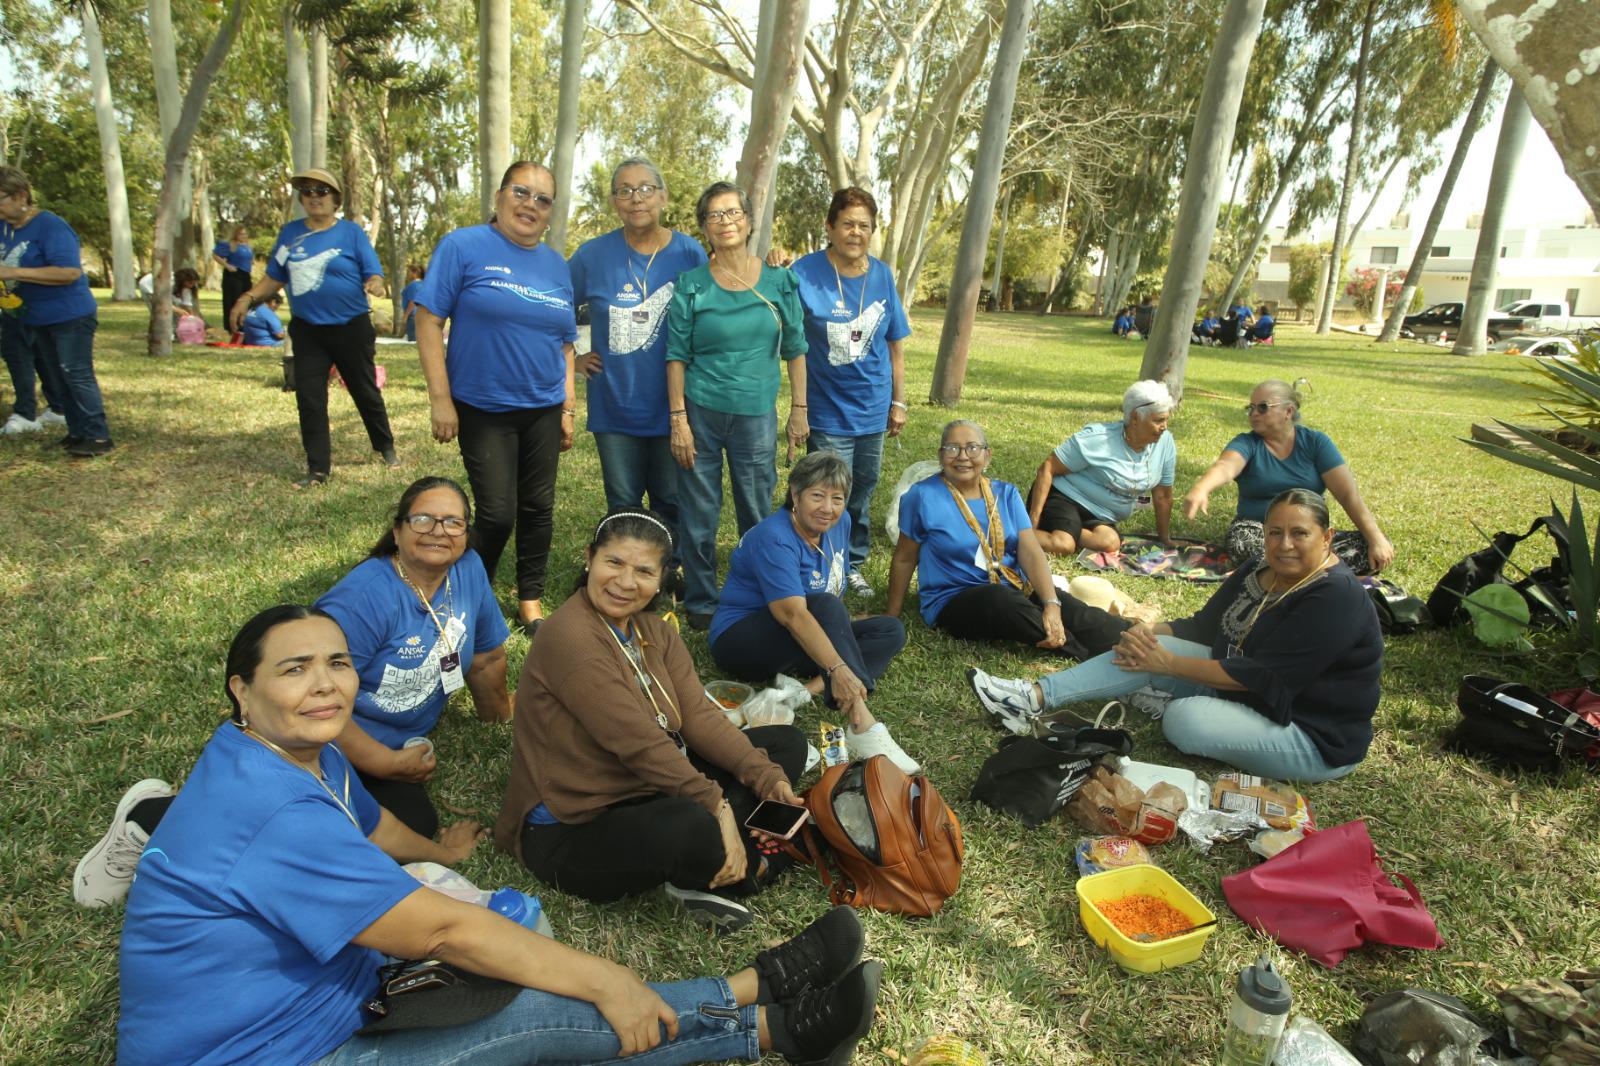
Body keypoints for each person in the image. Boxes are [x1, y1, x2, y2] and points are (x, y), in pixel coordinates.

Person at [113, 604, 881, 1066]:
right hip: (272, 1054)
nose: (326, 683)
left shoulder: (283, 752)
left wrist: (438, 850)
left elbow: (371, 824)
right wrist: (606, 978)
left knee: (527, 1001)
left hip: (329, 1002)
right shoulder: (267, 808)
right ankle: (764, 1016)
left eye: (339, 663)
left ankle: (766, 1010)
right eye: (295, 669)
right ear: (241, 689)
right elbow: (444, 929)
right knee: (530, 1020)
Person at [497, 509, 813, 933]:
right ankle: (746, 860)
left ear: (663, 577)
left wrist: (765, 777)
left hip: (647, 789)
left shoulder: (655, 632)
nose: (626, 582)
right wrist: (716, 804)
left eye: (644, 570)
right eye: (614, 563)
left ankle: (731, 839)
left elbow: (698, 717)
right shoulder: (568, 636)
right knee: (691, 825)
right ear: (589, 558)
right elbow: (639, 743)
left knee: (784, 746)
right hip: (575, 826)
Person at [969, 488, 1383, 782]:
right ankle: (1030, 698)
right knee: (1150, 645)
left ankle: (1165, 693)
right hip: (1246, 696)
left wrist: (1165, 665)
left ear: (1327, 538)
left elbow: (1261, 675)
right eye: (1274, 532)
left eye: (1300, 534)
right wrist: (1146, 633)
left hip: (1310, 736)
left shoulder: (1337, 598)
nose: (1284, 544)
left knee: (1183, 720)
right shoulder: (1261, 568)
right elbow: (1204, 626)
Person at [416, 161, 577, 636]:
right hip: (482, 406)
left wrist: (568, 406)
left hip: (544, 406)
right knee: (496, 512)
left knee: (538, 508)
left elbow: (565, 343)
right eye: (521, 192)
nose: (530, 205)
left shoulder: (556, 265)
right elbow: (428, 321)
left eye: (542, 199)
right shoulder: (463, 246)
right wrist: (440, 399)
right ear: (499, 196)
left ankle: (530, 599)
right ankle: (470, 594)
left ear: (550, 213)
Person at [313, 476, 512, 838]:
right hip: (326, 738)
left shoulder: (468, 569)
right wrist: (385, 763)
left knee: (412, 822)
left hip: (399, 743)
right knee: (343, 826)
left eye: (453, 522)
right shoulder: (363, 599)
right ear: (397, 530)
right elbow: (314, 697)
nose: (439, 531)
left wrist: (498, 720)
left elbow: (485, 657)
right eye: (422, 520)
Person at [709, 451, 918, 773]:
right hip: (742, 641)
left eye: (837, 498)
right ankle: (862, 722)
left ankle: (805, 691)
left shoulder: (840, 522)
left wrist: (840, 635)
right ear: (795, 494)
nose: (828, 508)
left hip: (796, 636)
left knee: (890, 630)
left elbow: (828, 588)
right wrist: (838, 667)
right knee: (824, 607)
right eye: (817, 496)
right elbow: (793, 614)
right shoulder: (774, 538)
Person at [667, 181, 808, 631]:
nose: (724, 222)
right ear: (703, 227)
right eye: (714, 215)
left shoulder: (780, 282)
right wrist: (678, 420)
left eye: (732, 213)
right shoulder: (691, 285)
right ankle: (704, 601)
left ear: (748, 222)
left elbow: (796, 349)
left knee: (757, 508)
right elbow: (676, 356)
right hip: (700, 411)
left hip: (756, 415)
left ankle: (758, 593)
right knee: (699, 511)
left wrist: (799, 409)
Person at [886, 420, 1132, 660]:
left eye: (973, 448)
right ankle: (1086, 654)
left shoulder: (1006, 494)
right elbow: (905, 558)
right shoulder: (922, 496)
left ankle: (1138, 640)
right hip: (955, 598)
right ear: (941, 456)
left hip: (1015, 586)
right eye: (952, 448)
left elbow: (1030, 551)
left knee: (1076, 612)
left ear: (987, 456)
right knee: (1001, 601)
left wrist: (1051, 603)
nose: (963, 456)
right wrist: (892, 615)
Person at [568, 157, 707, 565]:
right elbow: (558, 305)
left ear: (663, 196)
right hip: (615, 406)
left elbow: (710, 314)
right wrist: (575, 356)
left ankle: (668, 574)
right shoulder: (592, 255)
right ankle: (622, 573)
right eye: (625, 191)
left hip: (672, 405)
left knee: (670, 498)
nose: (636, 199)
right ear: (614, 201)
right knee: (623, 502)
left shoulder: (689, 252)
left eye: (646, 189)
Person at [229, 167, 396, 488]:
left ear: (335, 199)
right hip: (308, 330)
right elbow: (274, 278)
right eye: (307, 191)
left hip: (351, 327)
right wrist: (247, 298)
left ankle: (385, 446)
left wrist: (375, 284)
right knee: (310, 397)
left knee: (364, 390)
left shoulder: (351, 233)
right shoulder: (290, 234)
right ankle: (317, 469)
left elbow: (373, 273)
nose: (314, 197)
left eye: (322, 191)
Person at [790, 187, 911, 595]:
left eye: (864, 225)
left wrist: (898, 401)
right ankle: (820, 561)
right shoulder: (803, 272)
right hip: (826, 407)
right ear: (830, 227)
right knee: (826, 492)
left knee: (861, 489)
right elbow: (786, 336)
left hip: (873, 406)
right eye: (847, 224)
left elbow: (895, 343)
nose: (855, 232)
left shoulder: (881, 275)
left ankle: (852, 562)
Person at [1183, 378, 1393, 573]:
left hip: (1307, 535)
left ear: (1288, 411)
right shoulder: (1246, 443)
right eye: (1251, 408)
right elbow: (1226, 466)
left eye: (1263, 407)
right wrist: (1202, 487)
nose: (1254, 413)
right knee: (1244, 544)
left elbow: (1348, 495)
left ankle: (1291, 568)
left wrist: (1375, 538)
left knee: (1371, 547)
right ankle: (1319, 569)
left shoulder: (1316, 443)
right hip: (1260, 532)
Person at [0, 166, 112, 457]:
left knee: (76, 373)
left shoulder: (51, 226)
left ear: (21, 195)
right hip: (35, 317)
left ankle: (98, 436)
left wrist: (14, 272)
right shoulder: (5, 226)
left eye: (0, 198)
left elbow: (69, 272)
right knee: (57, 376)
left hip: (69, 315)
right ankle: (77, 432)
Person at [1028, 379, 1176, 556]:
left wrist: (1165, 539)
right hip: (1064, 498)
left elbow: (1163, 496)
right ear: (1136, 417)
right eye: (1158, 420)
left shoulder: (1165, 443)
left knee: (1110, 543)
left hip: (1099, 515)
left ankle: (1067, 530)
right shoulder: (1098, 438)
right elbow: (1047, 468)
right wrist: (1032, 522)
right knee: (1063, 546)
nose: (1164, 427)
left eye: (1166, 420)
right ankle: (1015, 534)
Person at [0, 313, 66, 435]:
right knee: (38, 346)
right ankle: (59, 408)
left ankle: (25, 414)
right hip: (34, 304)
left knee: (16, 348)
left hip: (17, 302)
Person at [212, 224, 253, 317]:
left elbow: (249, 260)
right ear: (235, 234)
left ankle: (243, 325)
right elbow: (215, 255)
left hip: (245, 275)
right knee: (233, 301)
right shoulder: (230, 244)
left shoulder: (248, 246)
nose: (243, 236)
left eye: (245, 234)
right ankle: (231, 327)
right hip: (234, 275)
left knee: (245, 300)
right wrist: (227, 265)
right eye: (241, 234)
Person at [399, 263, 424, 341]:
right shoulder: (423, 284)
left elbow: (412, 301)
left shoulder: (413, 285)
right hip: (422, 314)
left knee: (413, 340)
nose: (407, 275)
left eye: (409, 272)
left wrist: (405, 316)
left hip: (413, 316)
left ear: (415, 273)